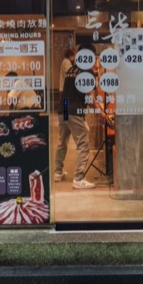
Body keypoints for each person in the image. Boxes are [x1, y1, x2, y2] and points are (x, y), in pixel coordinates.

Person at [54, 44, 95, 189]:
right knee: (83, 143)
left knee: (63, 141)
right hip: (74, 109)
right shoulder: (87, 72)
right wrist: (100, 112)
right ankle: (78, 178)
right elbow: (90, 97)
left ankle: (58, 172)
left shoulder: (71, 69)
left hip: (64, 107)